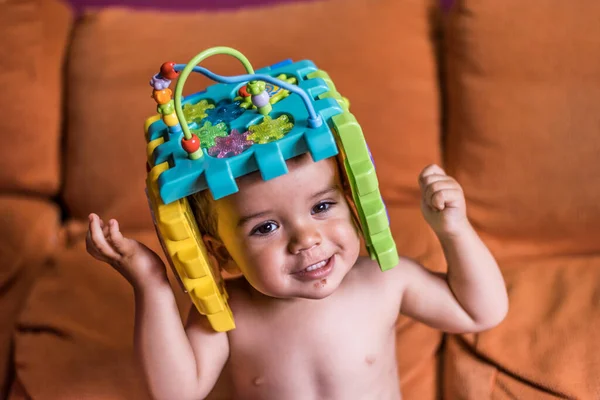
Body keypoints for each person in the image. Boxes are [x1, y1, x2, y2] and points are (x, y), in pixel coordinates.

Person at [86, 154, 508, 400]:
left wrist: (454, 230)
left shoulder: (385, 279)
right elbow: (176, 392)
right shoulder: (228, 312)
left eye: (322, 207)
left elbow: (480, 312)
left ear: (354, 204)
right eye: (265, 228)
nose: (306, 239)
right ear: (220, 253)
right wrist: (152, 283)